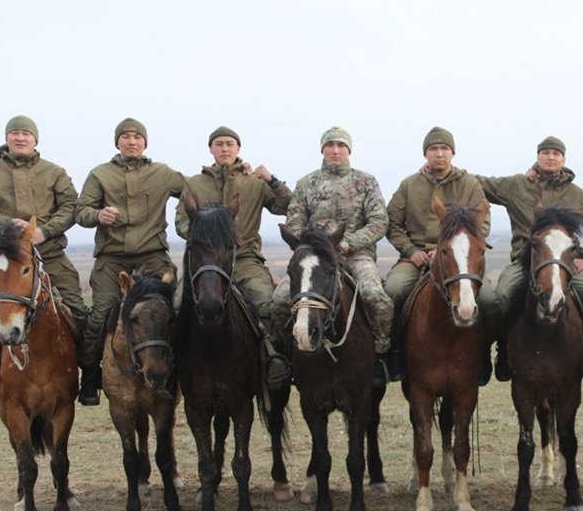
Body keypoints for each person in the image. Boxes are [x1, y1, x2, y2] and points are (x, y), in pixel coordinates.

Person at [0, 115, 88, 405]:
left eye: (26, 134)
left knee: (80, 313)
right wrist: (8, 225)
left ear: (35, 140)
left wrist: (44, 231)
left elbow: (71, 206)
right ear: (7, 138)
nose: (20, 138)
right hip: (7, 259)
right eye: (15, 133)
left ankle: (90, 374)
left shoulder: (54, 172)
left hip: (51, 254)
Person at [475, 135, 583, 380]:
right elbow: (478, 183)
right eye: (545, 153)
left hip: (568, 264)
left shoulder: (578, 195)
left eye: (555, 153)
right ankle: (502, 349)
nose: (550, 157)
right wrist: (447, 169)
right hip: (525, 261)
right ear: (538, 156)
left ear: (563, 159)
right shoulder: (517, 185)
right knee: (501, 296)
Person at [272, 126, 393, 387]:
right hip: (315, 258)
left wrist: (349, 243)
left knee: (377, 297)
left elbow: (378, 221)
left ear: (349, 149)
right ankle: (283, 358)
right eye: (330, 145)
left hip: (356, 255)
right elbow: (294, 220)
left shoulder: (366, 181)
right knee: (280, 299)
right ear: (322, 150)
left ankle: (382, 357)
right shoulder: (306, 184)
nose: (335, 150)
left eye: (340, 146)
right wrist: (305, 244)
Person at [75, 118, 185, 405]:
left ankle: (179, 371)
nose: (132, 141)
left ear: (145, 143)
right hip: (112, 259)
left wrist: (235, 173)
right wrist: (97, 215)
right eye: (125, 137)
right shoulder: (100, 174)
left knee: (173, 310)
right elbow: (81, 211)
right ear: (117, 143)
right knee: (99, 315)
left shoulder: (162, 173)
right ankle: (90, 376)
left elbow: (194, 190)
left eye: (137, 137)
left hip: (152, 256)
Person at [174, 126, 292, 389]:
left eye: (229, 144)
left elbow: (288, 206)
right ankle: (172, 364)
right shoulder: (194, 184)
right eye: (218, 144)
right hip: (205, 263)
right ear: (210, 149)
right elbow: (181, 222)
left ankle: (275, 358)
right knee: (177, 305)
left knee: (266, 303)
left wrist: (272, 180)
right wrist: (202, 232)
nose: (224, 148)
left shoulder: (254, 182)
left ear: (238, 148)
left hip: (246, 258)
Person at [383, 126, 498, 383]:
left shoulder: (469, 184)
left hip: (459, 257)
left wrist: (449, 246)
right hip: (416, 257)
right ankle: (394, 353)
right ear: (425, 154)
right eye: (433, 149)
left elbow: (483, 222)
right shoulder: (409, 185)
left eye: (444, 148)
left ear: (452, 153)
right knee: (393, 289)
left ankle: (482, 356)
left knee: (490, 300)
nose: (439, 154)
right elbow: (392, 223)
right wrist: (412, 251)